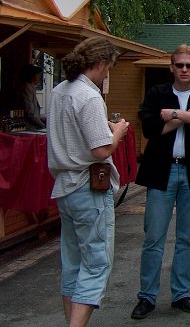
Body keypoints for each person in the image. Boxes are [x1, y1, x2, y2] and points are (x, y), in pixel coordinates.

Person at [131, 45, 190, 320]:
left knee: (186, 238)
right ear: (171, 67)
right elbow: (150, 129)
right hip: (162, 171)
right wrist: (189, 116)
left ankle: (181, 294)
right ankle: (147, 296)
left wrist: (174, 115)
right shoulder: (157, 93)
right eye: (179, 65)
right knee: (154, 237)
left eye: (189, 66)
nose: (184, 69)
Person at [47, 37, 130, 327]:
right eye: (109, 67)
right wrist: (118, 132)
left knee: (72, 264)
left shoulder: (59, 91)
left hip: (64, 186)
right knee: (96, 265)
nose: (108, 73)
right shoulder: (90, 96)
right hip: (87, 186)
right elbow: (101, 150)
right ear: (101, 63)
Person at [20, 64, 46, 129]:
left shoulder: (31, 88)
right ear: (33, 76)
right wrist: (43, 126)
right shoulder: (27, 88)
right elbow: (30, 113)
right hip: (29, 127)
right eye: (38, 75)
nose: (39, 78)